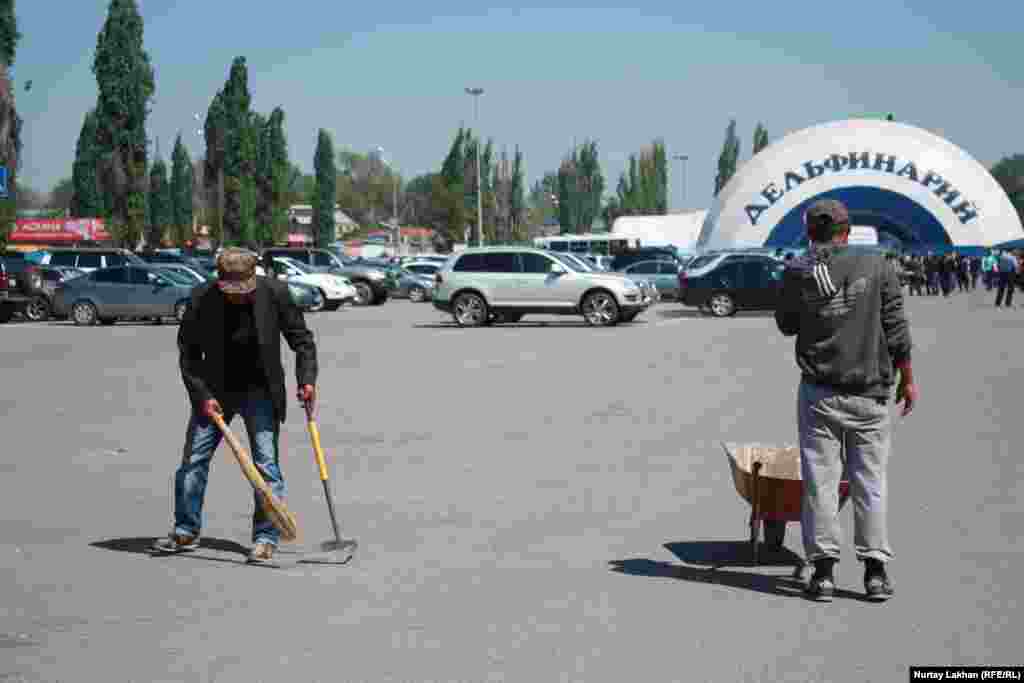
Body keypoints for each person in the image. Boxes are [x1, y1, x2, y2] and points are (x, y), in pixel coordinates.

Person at [775, 199, 916, 603]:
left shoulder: (799, 270)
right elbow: (895, 326)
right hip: (872, 394)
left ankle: (822, 575)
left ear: (809, 232)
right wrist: (909, 378)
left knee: (820, 483)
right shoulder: (879, 264)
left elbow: (786, 325)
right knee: (869, 482)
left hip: (820, 392)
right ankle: (875, 573)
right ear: (847, 229)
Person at [153, 248, 318, 564]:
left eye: (243, 291)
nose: (238, 298)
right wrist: (202, 395)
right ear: (219, 280)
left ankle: (266, 537)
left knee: (266, 466)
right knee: (193, 461)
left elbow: (302, 341)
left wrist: (306, 379)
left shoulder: (276, 293)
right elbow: (187, 353)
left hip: (261, 391)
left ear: (253, 278)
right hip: (215, 390)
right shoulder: (202, 297)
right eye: (231, 291)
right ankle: (186, 529)